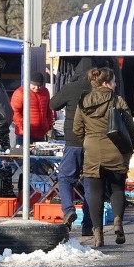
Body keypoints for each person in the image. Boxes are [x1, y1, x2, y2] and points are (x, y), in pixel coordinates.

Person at [73, 67, 134, 248]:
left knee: (95, 193)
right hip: (116, 149)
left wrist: (88, 141)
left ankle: (98, 235)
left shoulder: (84, 101)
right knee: (117, 189)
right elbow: (130, 126)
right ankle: (117, 222)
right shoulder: (118, 100)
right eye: (114, 81)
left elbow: (77, 129)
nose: (116, 84)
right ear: (106, 83)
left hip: (93, 151)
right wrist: (129, 146)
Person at [50, 58, 94, 235]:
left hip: (73, 141)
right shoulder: (97, 89)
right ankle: (88, 226)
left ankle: (68, 209)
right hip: (93, 142)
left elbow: (53, 104)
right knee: (91, 183)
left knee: (65, 178)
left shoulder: (70, 87)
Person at [10, 71, 54, 146]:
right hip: (24, 135)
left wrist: (49, 125)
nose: (37, 87)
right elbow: (14, 112)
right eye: (34, 85)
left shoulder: (45, 92)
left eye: (39, 85)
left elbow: (48, 110)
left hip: (40, 134)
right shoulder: (20, 92)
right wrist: (23, 126)